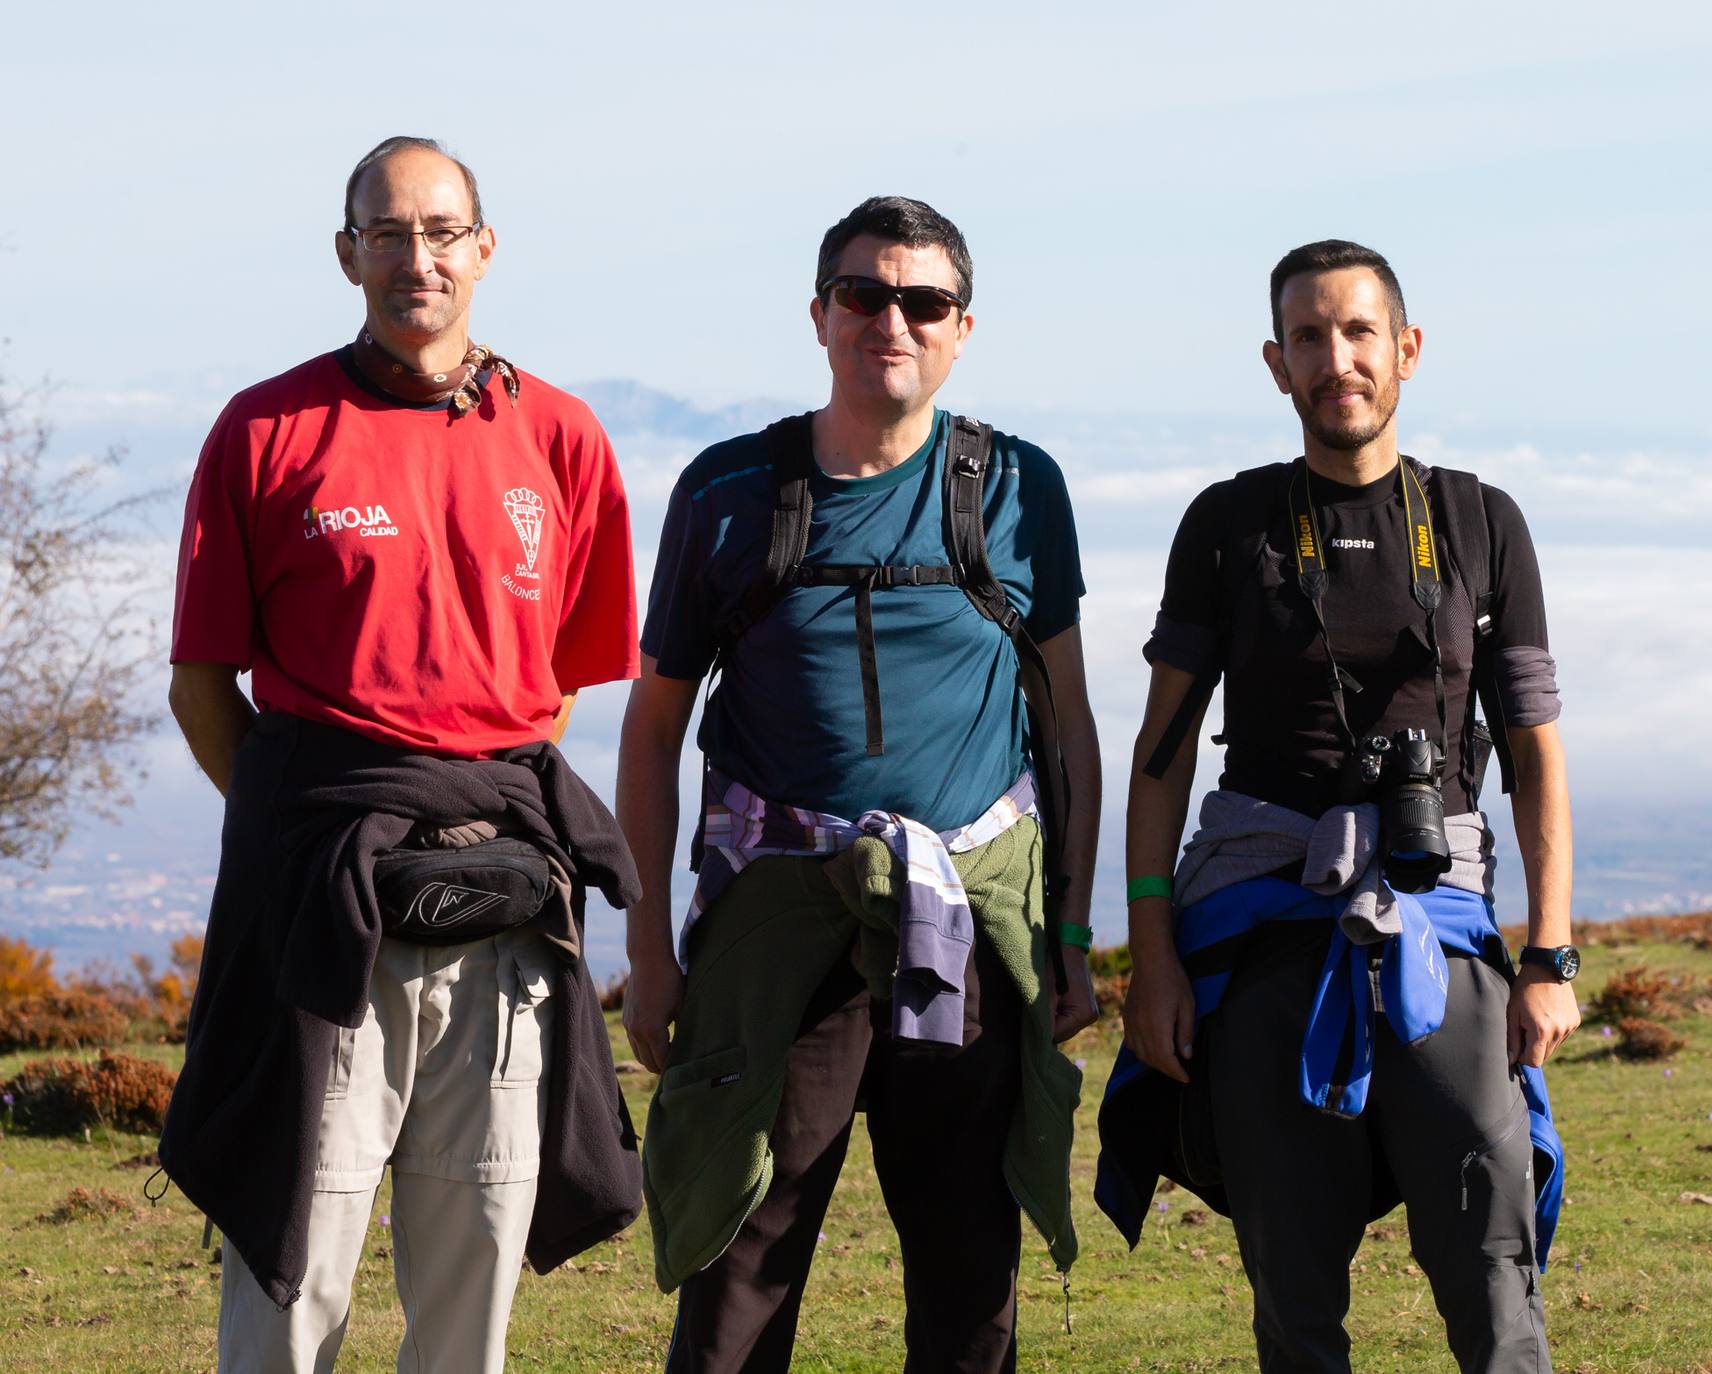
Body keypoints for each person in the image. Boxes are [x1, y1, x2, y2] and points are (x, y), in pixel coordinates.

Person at [161, 135, 644, 1374]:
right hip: (324, 918)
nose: (414, 258)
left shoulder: (567, 440)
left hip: (501, 915)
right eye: (386, 232)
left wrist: (455, 821)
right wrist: (325, 825)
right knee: (293, 1272)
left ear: (484, 249)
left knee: (474, 1268)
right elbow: (204, 687)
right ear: (346, 254)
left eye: (440, 231)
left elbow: (556, 692)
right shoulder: (265, 431)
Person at [620, 194, 1100, 1374]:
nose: (893, 319)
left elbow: (1068, 727)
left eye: (922, 300)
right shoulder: (732, 491)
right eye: (864, 295)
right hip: (784, 929)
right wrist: (645, 951)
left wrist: (1075, 938)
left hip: (968, 928)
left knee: (967, 1267)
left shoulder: (1017, 490)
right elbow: (652, 730)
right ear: (821, 317)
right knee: (742, 1257)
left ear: (962, 328)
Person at [1097, 239, 1581, 1373]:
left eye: (1359, 333)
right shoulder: (1228, 526)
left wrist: (1552, 954)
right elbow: (1160, 761)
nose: (1337, 359)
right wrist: (1152, 960)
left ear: (1406, 350)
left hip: (1438, 924)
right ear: (1276, 365)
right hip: (1268, 924)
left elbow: (1535, 757)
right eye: (1308, 338)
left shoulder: (1477, 522)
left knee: (1489, 1260)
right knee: (1293, 1288)